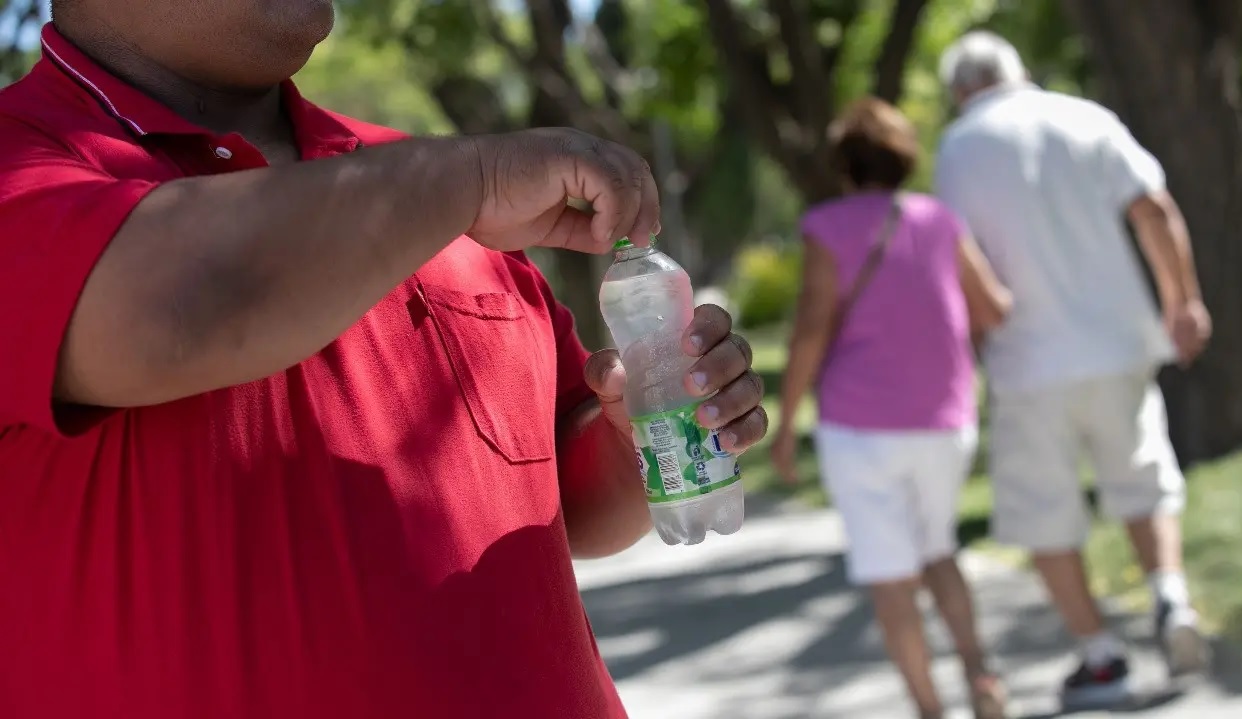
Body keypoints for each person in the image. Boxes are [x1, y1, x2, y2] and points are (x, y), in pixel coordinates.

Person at [0, 2, 770, 718]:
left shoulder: (420, 179)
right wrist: (467, 180)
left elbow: (567, 497)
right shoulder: (450, 185)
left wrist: (645, 436)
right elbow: (177, 307)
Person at [933, 31, 1214, 709]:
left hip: (1028, 358)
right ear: (1017, 69)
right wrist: (1183, 300)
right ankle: (1170, 599)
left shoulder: (960, 148)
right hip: (1119, 342)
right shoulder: (1086, 117)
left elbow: (961, 262)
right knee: (1145, 477)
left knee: (1045, 515)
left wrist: (965, 351)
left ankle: (1101, 654)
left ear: (960, 91)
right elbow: (1154, 208)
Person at [771, 97, 1013, 719]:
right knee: (939, 552)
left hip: (860, 428)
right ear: (904, 158)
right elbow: (992, 308)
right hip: (945, 420)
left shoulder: (827, 227)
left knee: (890, 575)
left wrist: (787, 421)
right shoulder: (940, 220)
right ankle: (981, 676)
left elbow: (812, 327)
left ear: (844, 164)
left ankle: (931, 710)